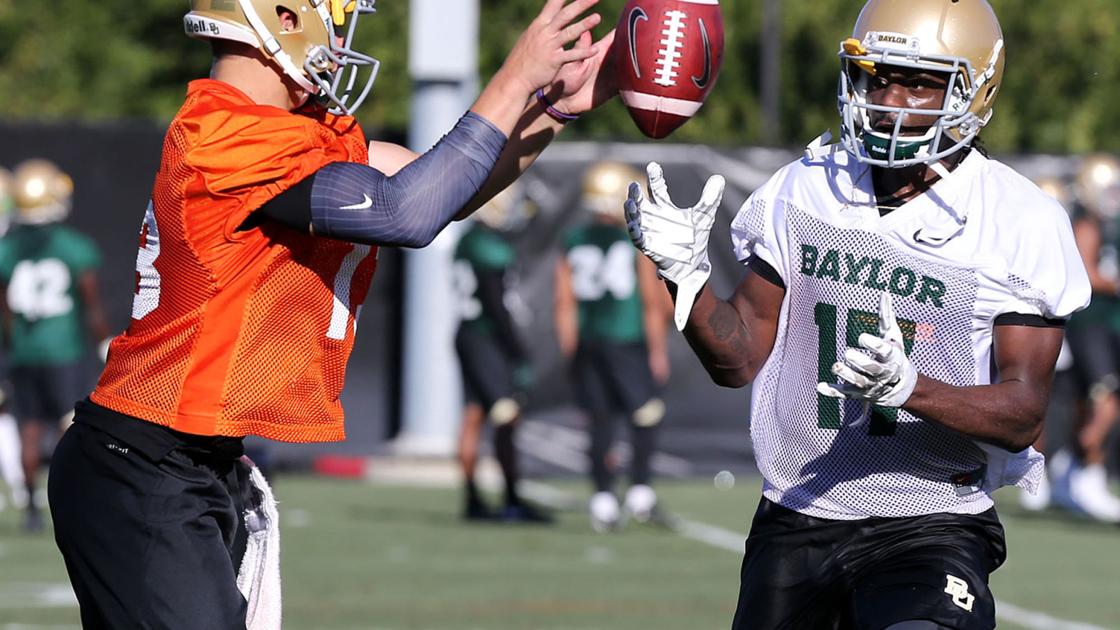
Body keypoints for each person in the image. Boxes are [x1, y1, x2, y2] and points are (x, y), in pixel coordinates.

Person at [46, 0, 616, 626]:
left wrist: (557, 107)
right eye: (335, 15)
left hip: (187, 463)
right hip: (142, 464)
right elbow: (406, 213)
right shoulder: (224, 132)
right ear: (283, 18)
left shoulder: (286, 127)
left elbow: (445, 190)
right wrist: (514, 77)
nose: (342, 36)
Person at [625, 1, 1090, 628]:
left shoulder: (1017, 218)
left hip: (932, 518)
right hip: (797, 513)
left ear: (974, 89)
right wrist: (686, 278)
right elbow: (735, 360)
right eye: (878, 76)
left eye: (919, 80)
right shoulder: (806, 186)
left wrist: (909, 390)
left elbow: (1023, 415)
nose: (890, 97)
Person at [554, 161, 672, 531]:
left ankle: (603, 500)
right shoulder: (632, 240)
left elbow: (564, 305)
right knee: (646, 414)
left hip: (590, 341)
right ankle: (639, 493)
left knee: (599, 420)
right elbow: (653, 303)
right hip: (627, 339)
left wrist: (571, 350)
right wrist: (657, 350)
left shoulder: (572, 239)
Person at [0, 159, 110, 532]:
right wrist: (104, 343)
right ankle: (71, 500)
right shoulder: (74, 247)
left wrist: (12, 350)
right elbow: (92, 311)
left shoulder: (7, 250)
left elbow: (7, 316)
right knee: (70, 430)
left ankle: (31, 509)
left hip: (24, 353)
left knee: (28, 431)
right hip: (63, 352)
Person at [452, 184, 548, 523]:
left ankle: (474, 500)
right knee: (506, 417)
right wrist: (518, 352)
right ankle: (510, 499)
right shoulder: (487, 246)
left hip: (467, 332)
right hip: (485, 337)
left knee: (474, 414)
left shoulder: (466, 240)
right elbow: (496, 306)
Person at [1052, 153, 1120, 522]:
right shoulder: (1086, 224)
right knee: (1103, 399)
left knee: (1095, 401)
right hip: (1088, 324)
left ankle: (1071, 470)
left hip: (1103, 325)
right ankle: (1086, 472)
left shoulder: (1106, 223)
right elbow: (1087, 275)